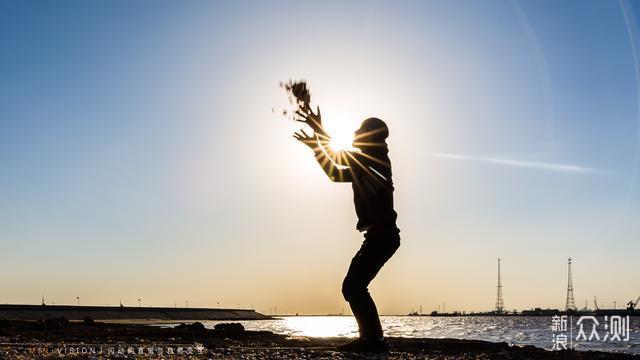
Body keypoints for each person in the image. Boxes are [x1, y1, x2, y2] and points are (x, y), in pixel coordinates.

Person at [293, 105, 400, 353]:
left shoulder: (373, 159)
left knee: (353, 287)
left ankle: (373, 342)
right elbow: (334, 172)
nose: (354, 131)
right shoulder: (368, 161)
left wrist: (317, 130)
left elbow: (337, 158)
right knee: (354, 287)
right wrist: (316, 144)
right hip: (379, 236)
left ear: (370, 136)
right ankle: (372, 340)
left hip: (382, 236)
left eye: (360, 129)